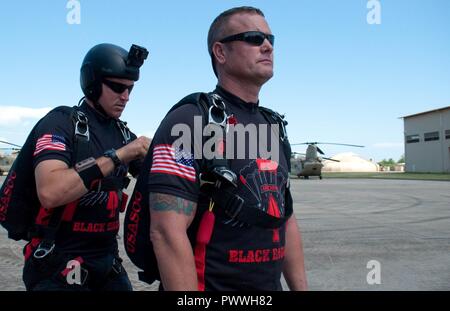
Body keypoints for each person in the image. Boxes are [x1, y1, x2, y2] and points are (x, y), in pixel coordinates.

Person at [146, 7, 307, 290]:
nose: (267, 46)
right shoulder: (190, 120)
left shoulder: (274, 125)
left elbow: (286, 218)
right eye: (254, 38)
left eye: (270, 38)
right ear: (220, 53)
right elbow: (166, 232)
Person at [22, 43, 151, 291]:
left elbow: (163, 180)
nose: (126, 97)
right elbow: (50, 192)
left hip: (108, 263)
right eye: (117, 87)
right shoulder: (60, 123)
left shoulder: (123, 134)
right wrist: (119, 156)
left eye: (130, 89)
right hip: (58, 263)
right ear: (92, 83)